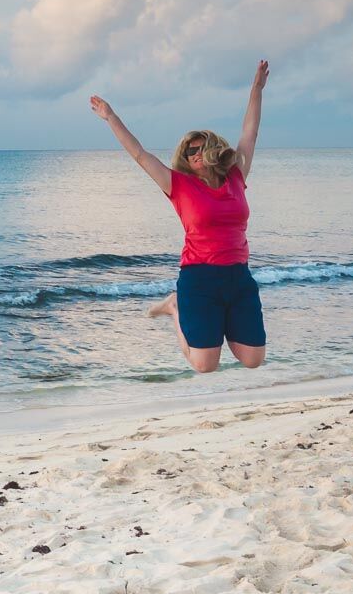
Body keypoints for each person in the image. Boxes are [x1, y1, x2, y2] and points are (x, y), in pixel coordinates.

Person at [88, 60, 270, 373]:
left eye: (200, 148)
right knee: (204, 365)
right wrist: (111, 117)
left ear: (213, 148)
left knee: (253, 359)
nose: (194, 154)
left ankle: (217, 323)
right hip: (199, 278)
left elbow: (249, 133)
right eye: (189, 151)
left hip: (239, 277)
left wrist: (256, 89)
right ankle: (175, 307)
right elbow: (141, 155)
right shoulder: (179, 185)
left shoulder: (236, 177)